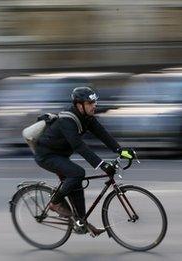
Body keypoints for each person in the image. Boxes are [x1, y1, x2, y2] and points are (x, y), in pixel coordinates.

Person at [34, 86, 135, 236]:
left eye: (94, 102)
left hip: (61, 155)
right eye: (90, 103)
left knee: (76, 181)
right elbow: (78, 146)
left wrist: (120, 150)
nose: (94, 105)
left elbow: (102, 134)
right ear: (79, 105)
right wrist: (101, 164)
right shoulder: (67, 120)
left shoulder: (87, 117)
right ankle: (55, 203)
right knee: (77, 173)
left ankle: (81, 221)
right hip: (46, 155)